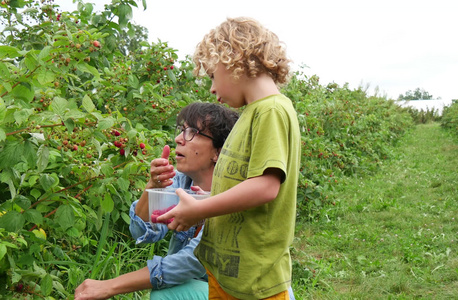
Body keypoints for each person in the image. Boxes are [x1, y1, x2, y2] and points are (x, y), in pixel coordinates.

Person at [157, 17, 301, 299]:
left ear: (232, 60)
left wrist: (200, 210)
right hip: (226, 273)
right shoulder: (250, 114)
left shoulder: (271, 111)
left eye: (212, 76)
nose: (212, 89)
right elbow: (244, 183)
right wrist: (209, 198)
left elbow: (266, 186)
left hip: (255, 283)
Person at [74, 102, 239, 300]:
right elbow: (141, 232)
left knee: (168, 292)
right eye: (181, 130)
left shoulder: (235, 196)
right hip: (200, 289)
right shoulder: (180, 181)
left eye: (192, 132)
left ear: (218, 152)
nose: (178, 139)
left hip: (235, 293)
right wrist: (152, 187)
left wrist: (110, 286)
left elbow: (191, 261)